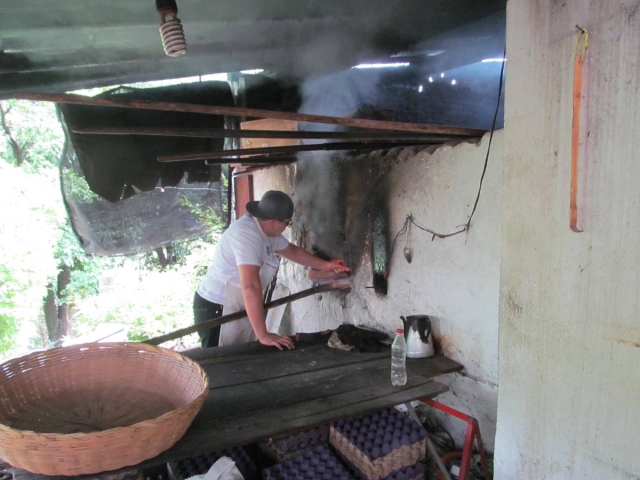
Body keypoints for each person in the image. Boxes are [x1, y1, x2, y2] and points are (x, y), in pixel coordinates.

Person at [194, 190, 350, 350]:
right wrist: (264, 335)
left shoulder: (266, 231)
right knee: (218, 361)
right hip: (216, 306)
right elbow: (250, 286)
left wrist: (326, 265)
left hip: (234, 302)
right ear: (274, 222)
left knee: (237, 354)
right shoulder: (247, 236)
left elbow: (292, 251)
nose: (286, 227)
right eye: (287, 223)